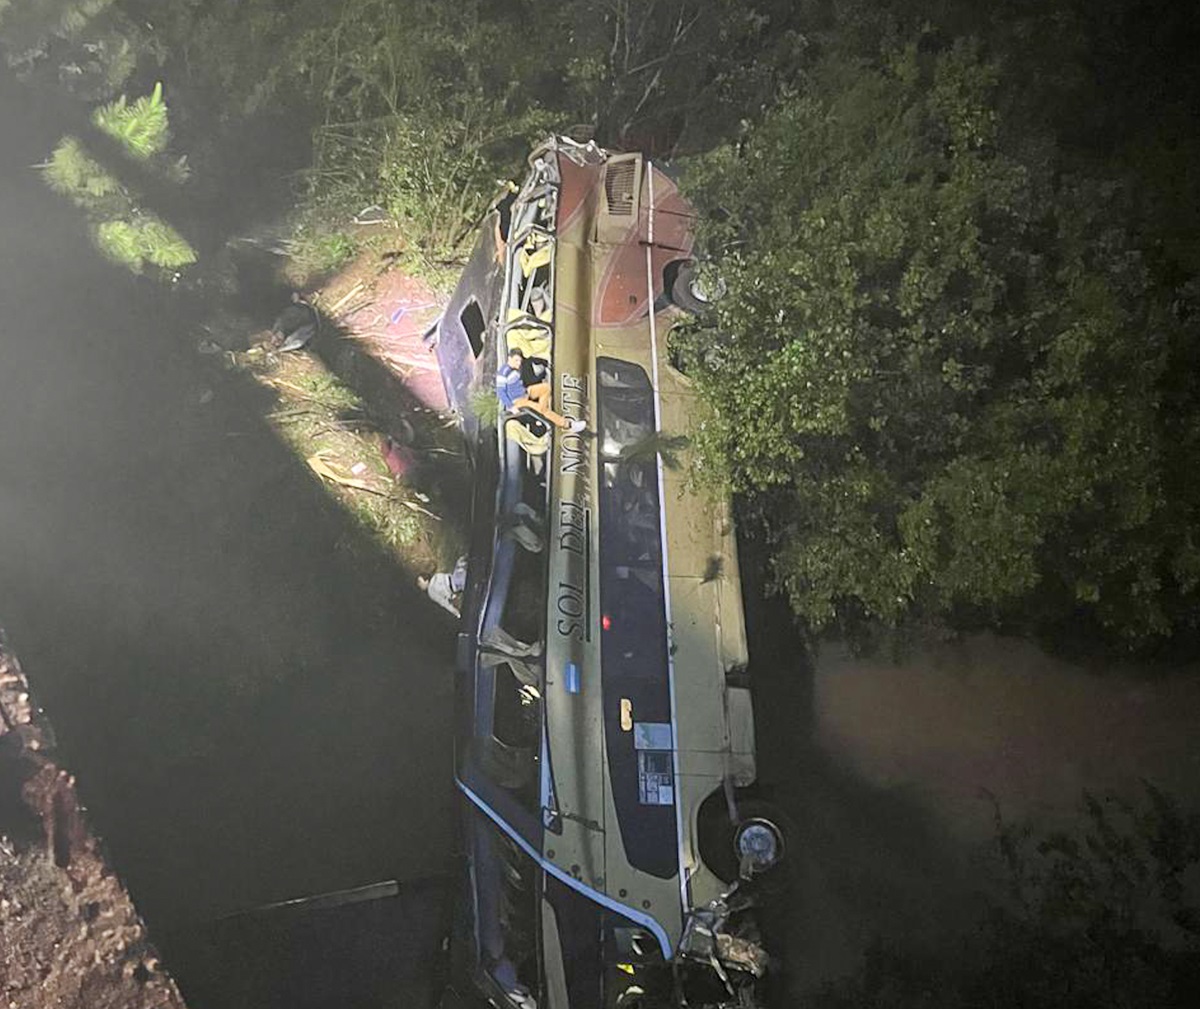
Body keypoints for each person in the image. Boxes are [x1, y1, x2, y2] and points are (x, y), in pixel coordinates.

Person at [496, 348, 586, 433]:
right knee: (541, 409)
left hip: (525, 393)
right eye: (516, 360)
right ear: (509, 358)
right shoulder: (503, 373)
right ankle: (568, 425)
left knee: (545, 388)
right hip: (517, 401)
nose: (519, 363)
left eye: (520, 361)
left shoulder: (516, 369)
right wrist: (511, 407)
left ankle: (543, 414)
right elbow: (500, 392)